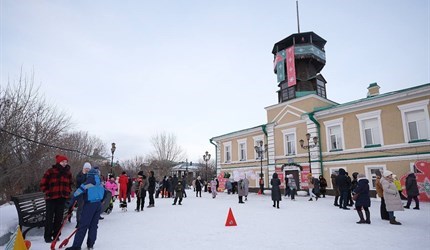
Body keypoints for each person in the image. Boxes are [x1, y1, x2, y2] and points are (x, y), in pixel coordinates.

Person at [65, 168, 105, 250]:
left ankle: (76, 246)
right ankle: (90, 244)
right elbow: (105, 193)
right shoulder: (100, 183)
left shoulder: (88, 183)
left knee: (83, 225)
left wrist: (71, 201)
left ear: (89, 175)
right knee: (94, 226)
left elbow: (78, 192)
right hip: (98, 205)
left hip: (89, 205)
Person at [40, 155, 73, 243]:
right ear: (58, 162)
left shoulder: (68, 173)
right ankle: (47, 236)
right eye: (63, 162)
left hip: (62, 198)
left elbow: (70, 184)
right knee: (49, 218)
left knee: (59, 218)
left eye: (66, 162)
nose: (64, 164)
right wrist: (47, 192)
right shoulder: (50, 171)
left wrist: (68, 191)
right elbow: (43, 183)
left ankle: (56, 235)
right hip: (51, 198)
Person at [75, 162, 91, 227]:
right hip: (80, 192)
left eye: (88, 169)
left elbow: (90, 184)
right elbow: (79, 182)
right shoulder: (80, 174)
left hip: (87, 193)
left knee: (87, 208)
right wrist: (84, 175)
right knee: (80, 208)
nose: (87, 170)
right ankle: (79, 221)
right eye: (86, 168)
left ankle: (85, 220)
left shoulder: (90, 175)